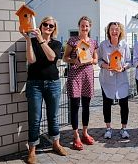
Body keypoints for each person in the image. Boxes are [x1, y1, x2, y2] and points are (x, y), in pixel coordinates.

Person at [21, 16, 67, 164]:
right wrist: (28, 39)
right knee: (35, 119)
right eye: (45, 24)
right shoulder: (33, 41)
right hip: (34, 84)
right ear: (40, 26)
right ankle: (32, 150)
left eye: (51, 26)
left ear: (54, 29)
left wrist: (41, 39)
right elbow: (31, 60)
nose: (48, 27)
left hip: (53, 83)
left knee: (53, 116)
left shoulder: (57, 43)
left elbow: (52, 57)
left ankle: (56, 144)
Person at [63, 16, 98, 150]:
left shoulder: (93, 42)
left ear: (90, 27)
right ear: (79, 27)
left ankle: (85, 132)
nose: (84, 28)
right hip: (75, 75)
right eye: (82, 26)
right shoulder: (72, 41)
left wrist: (90, 60)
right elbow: (65, 58)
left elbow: (96, 59)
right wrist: (74, 61)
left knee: (86, 106)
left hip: (88, 75)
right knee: (75, 105)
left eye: (87, 26)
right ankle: (76, 135)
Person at [98, 22, 131, 139]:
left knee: (124, 104)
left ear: (120, 31)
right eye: (112, 29)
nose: (114, 32)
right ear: (108, 31)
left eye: (116, 29)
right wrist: (107, 67)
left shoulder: (125, 45)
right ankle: (108, 128)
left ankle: (124, 128)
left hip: (121, 79)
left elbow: (129, 61)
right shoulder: (103, 45)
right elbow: (99, 61)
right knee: (106, 104)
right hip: (107, 80)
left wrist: (123, 68)